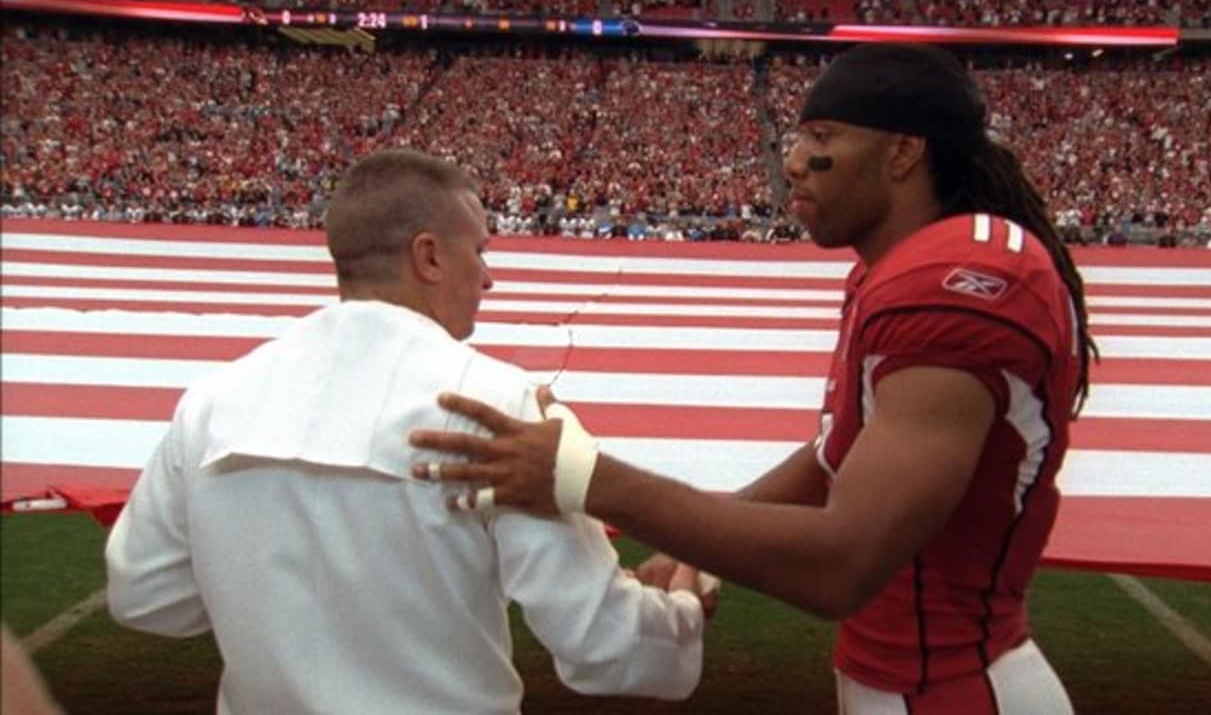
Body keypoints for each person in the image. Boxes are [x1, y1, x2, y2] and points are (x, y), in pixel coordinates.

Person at [409, 44, 1096, 714]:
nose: (792, 162)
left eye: (822, 137)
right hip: (914, 680)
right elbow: (837, 459)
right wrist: (691, 550)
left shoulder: (953, 286)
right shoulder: (899, 270)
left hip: (955, 688)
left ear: (903, 152)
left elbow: (844, 565)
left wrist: (583, 475)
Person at [105, 149, 708, 715]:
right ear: (430, 257)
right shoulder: (496, 404)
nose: (489, 277)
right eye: (480, 251)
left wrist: (271, 600)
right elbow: (609, 646)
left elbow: (145, 594)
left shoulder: (214, 401)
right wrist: (684, 603)